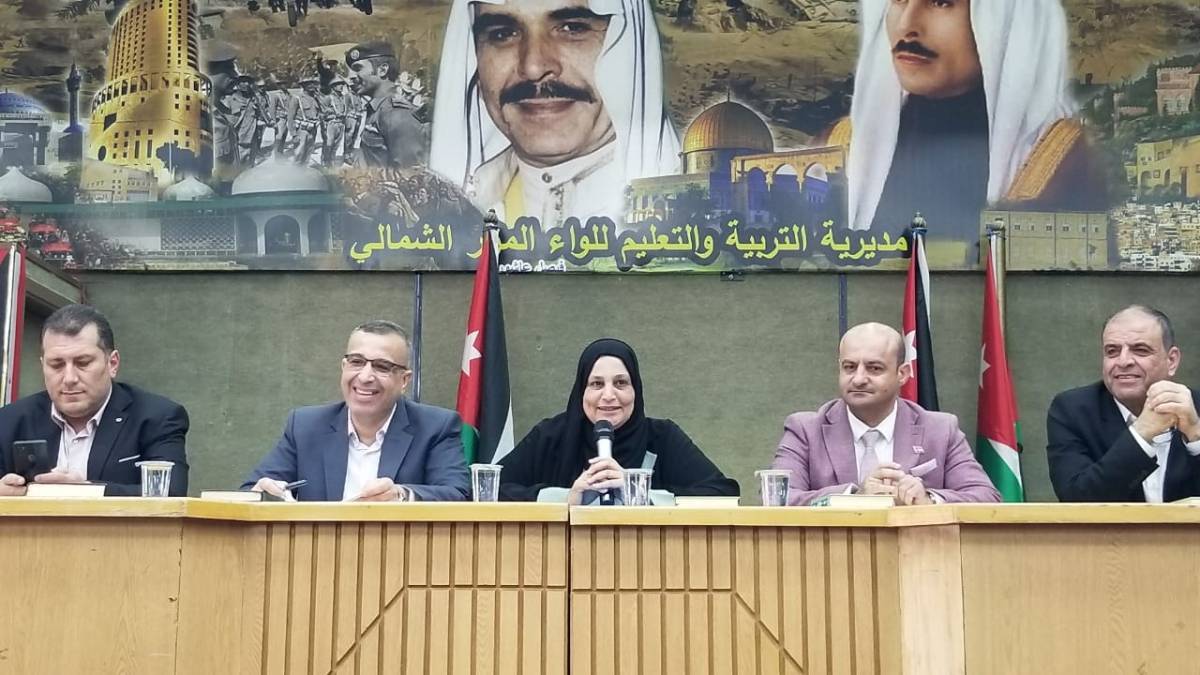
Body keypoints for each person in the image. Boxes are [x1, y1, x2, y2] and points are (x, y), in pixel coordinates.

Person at [843, 0, 1104, 235]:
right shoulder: (842, 146)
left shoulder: (1062, 160)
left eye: (940, 3)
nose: (906, 25)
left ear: (1007, 18)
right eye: (899, 0)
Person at [429, 0, 681, 230]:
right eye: (503, 34)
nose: (533, 67)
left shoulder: (690, 219)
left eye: (572, 28)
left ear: (628, 49)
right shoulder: (468, 213)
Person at [771, 322, 999, 505]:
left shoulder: (940, 430)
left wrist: (928, 499)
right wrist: (854, 497)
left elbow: (986, 497)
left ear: (903, 374)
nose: (859, 379)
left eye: (874, 368)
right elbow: (776, 500)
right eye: (849, 367)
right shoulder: (805, 430)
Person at [242, 320, 469, 501]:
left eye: (382, 366)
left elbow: (457, 494)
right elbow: (250, 491)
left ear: (404, 380)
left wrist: (401, 495)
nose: (365, 376)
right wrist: (264, 492)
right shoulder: (305, 426)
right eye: (357, 362)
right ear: (344, 367)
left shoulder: (435, 427)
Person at [498, 338, 738, 503]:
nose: (609, 395)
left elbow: (723, 494)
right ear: (581, 391)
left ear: (636, 391)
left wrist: (637, 492)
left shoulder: (662, 437)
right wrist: (565, 498)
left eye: (621, 383)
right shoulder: (551, 436)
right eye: (597, 384)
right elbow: (488, 490)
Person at [0, 304, 190, 496]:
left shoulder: (157, 417)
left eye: (83, 363)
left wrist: (85, 491)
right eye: (56, 365)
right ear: (43, 365)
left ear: (112, 364)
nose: (69, 378)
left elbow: (170, 493)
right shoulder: (9, 421)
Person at [1047, 306, 1200, 502]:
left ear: (1171, 360)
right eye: (1112, 351)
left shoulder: (1196, 408)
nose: (1123, 361)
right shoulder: (1073, 410)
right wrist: (1141, 433)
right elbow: (1076, 499)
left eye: (1140, 350)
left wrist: (1196, 437)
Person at [344, 42, 428, 168]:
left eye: (358, 68)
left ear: (382, 70)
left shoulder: (397, 115)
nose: (350, 77)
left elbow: (407, 175)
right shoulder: (379, 109)